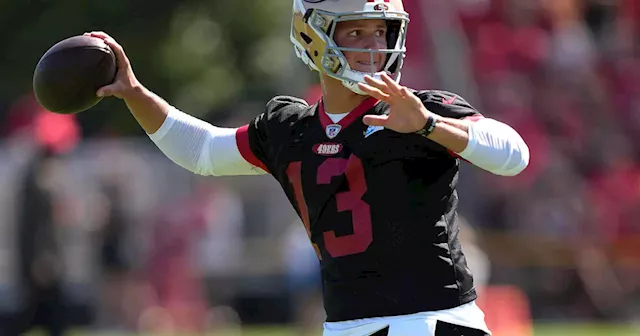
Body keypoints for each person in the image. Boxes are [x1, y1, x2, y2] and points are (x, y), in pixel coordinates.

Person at [85, 0, 529, 334]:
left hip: (432, 323)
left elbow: (512, 155)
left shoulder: (418, 111)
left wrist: (429, 126)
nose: (375, 46)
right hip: (345, 326)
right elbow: (202, 151)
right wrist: (135, 93)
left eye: (382, 32)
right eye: (356, 32)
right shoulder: (290, 129)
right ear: (313, 35)